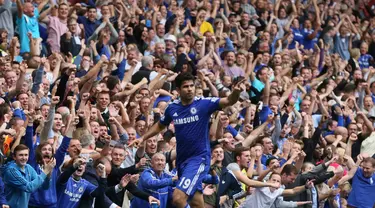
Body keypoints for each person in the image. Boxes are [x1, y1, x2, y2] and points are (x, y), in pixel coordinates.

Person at [139, 72, 246, 207]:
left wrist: (235, 92)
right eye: (185, 86)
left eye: (192, 86)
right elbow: (160, 125)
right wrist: (143, 137)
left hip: (199, 159)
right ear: (178, 90)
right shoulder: (172, 108)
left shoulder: (204, 103)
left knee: (178, 198)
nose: (190, 89)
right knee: (196, 203)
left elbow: (229, 100)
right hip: (182, 161)